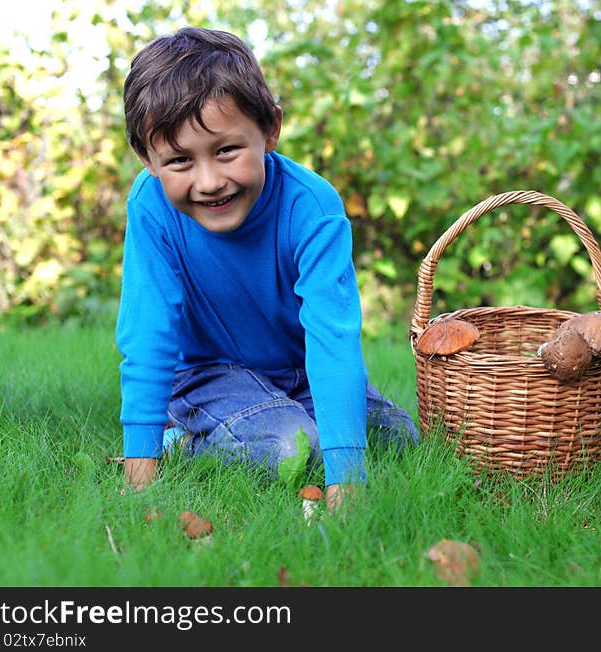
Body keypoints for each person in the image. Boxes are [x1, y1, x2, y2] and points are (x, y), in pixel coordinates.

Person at [117, 26, 419, 511]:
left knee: (398, 439)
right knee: (288, 446)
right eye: (179, 160)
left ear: (270, 130)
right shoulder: (151, 207)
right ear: (147, 158)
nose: (209, 181)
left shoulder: (312, 207)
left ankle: (289, 420)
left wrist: (349, 479)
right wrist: (140, 461)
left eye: (226, 150)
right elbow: (148, 331)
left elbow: (332, 338)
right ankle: (184, 441)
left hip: (297, 368)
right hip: (206, 372)